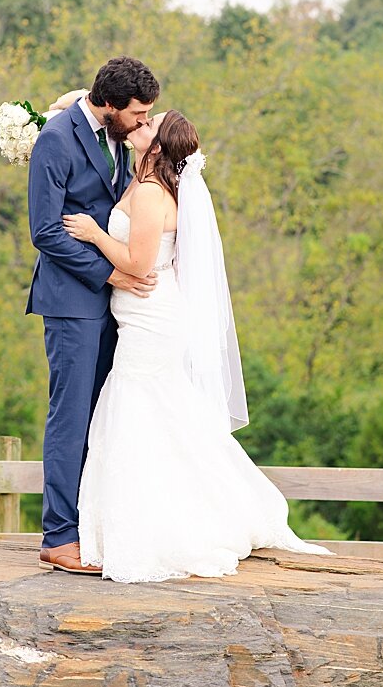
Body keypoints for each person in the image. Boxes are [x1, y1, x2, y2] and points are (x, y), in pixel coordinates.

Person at [62, 111, 329, 581]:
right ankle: (199, 505)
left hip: (151, 317)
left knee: (138, 409)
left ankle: (164, 525)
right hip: (145, 316)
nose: (136, 127)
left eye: (147, 126)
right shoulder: (145, 182)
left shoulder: (148, 193)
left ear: (159, 148)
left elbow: (139, 264)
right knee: (164, 412)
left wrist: (93, 233)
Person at [26, 57, 160, 576]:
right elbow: (45, 230)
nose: (144, 121)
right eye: (139, 113)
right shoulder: (56, 140)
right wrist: (110, 275)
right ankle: (59, 536)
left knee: (106, 418)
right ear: (109, 104)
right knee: (71, 416)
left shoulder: (114, 134)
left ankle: (95, 528)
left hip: (116, 307)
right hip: (71, 303)